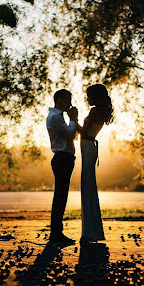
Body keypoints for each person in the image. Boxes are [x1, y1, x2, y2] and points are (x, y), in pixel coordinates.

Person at [79, 84, 113, 243]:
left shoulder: (94, 111)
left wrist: (73, 119)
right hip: (90, 148)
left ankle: (89, 232)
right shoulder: (101, 111)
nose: (87, 99)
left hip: (87, 147)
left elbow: (84, 132)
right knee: (89, 187)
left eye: (89, 96)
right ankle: (92, 231)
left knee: (87, 187)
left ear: (96, 97)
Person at [46, 89, 80, 247]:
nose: (70, 104)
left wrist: (71, 120)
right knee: (60, 196)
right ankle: (56, 234)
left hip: (64, 159)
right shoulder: (55, 118)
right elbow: (71, 135)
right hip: (62, 159)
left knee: (61, 196)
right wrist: (74, 118)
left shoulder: (59, 117)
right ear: (60, 100)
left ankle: (56, 232)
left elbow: (72, 135)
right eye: (68, 100)